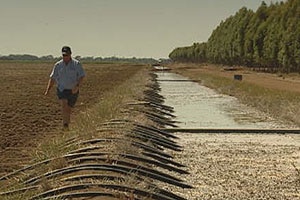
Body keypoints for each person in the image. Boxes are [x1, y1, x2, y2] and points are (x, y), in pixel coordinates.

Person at [44, 46, 85, 130]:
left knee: (68, 109)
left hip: (73, 90)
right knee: (64, 105)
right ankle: (65, 125)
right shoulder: (58, 65)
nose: (65, 57)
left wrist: (77, 86)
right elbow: (52, 78)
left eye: (67, 55)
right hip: (62, 89)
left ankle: (67, 123)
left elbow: (82, 76)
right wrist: (48, 90)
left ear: (70, 54)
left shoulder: (76, 64)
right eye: (63, 55)